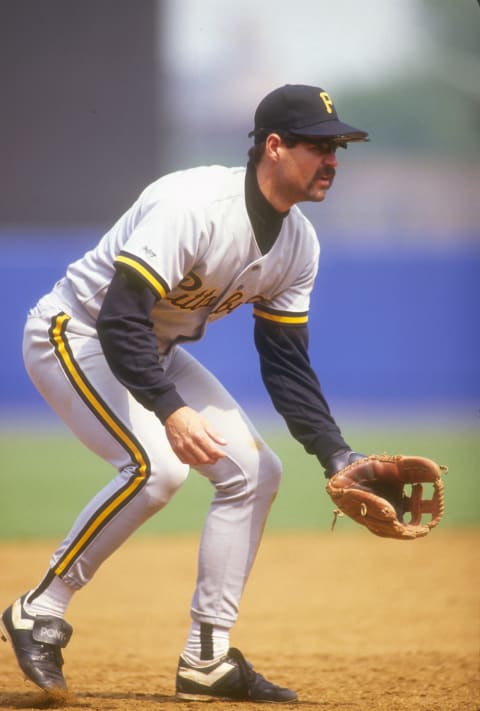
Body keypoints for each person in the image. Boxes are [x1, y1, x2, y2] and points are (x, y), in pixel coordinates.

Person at [1, 84, 368, 702]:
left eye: (338, 146)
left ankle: (208, 657)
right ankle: (40, 608)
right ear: (274, 148)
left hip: (153, 351)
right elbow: (119, 318)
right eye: (319, 145)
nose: (333, 158)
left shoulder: (300, 244)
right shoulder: (195, 204)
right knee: (156, 470)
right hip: (76, 332)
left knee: (257, 471)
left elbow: (285, 365)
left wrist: (339, 455)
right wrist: (171, 411)